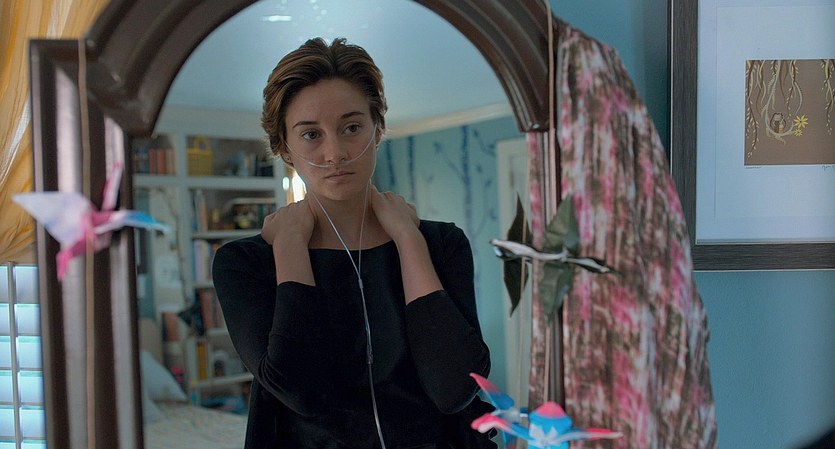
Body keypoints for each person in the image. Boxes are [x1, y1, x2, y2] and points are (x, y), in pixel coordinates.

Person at [212, 37, 496, 449]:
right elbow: (301, 392)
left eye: (351, 128)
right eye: (311, 134)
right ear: (285, 148)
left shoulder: (441, 244)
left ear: (377, 130)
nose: (335, 153)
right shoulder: (245, 263)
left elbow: (454, 389)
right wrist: (290, 244)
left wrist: (408, 239)